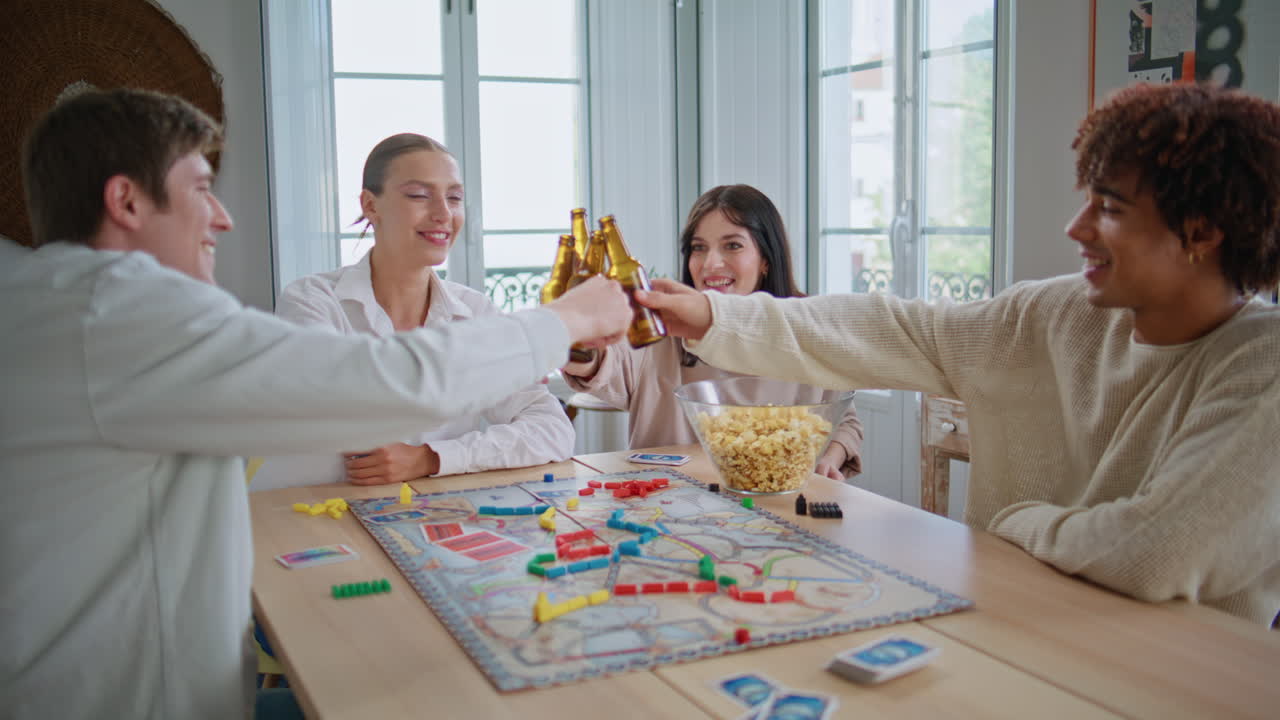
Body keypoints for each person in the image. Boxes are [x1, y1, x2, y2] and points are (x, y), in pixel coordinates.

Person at [0, 88, 632, 719]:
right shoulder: (124, 313)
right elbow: (378, 389)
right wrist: (562, 319)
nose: (223, 217)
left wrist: (432, 455)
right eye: (200, 188)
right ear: (127, 200)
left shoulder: (48, 299)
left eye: (455, 194)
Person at [635, 83, 1280, 626]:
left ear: (1201, 233)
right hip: (1015, 622)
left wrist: (1017, 521)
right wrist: (715, 313)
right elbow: (897, 327)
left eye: (1108, 209)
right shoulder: (1053, 313)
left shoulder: (1261, 365)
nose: (1076, 229)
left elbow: (1147, 552)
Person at [253, 134, 574, 490]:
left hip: (419, 518)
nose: (443, 214)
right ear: (371, 206)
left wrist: (431, 458)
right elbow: (338, 394)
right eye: (419, 195)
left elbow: (553, 429)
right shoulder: (312, 300)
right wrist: (496, 353)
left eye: (454, 197)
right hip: (304, 518)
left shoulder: (476, 311)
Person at [561, 184, 863, 479]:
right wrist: (574, 336)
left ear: (766, 260)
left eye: (733, 245)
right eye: (698, 248)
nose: (710, 264)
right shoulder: (662, 327)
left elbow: (843, 420)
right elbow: (602, 365)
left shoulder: (805, 326)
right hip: (666, 514)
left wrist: (829, 459)